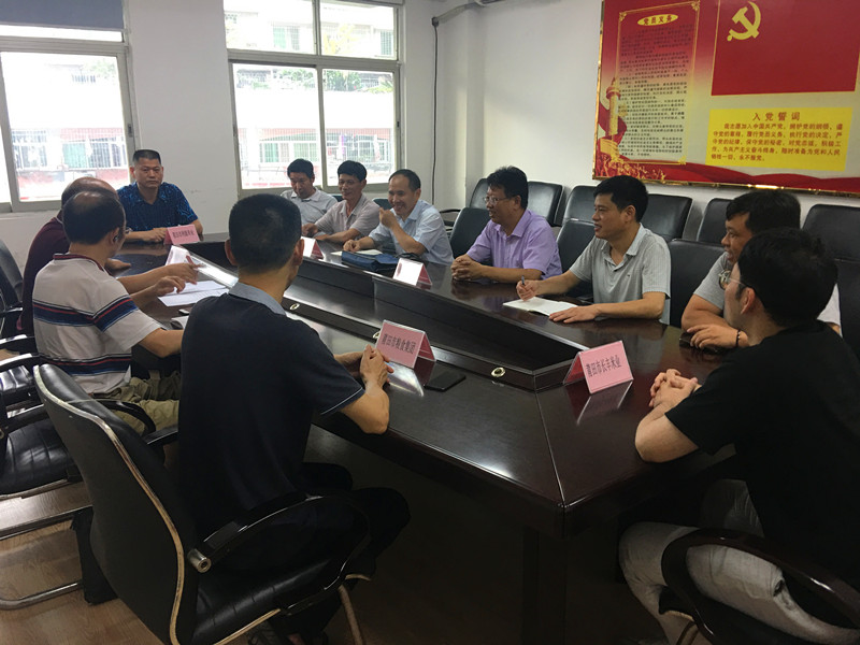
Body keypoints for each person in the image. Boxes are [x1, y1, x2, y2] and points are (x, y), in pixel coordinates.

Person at [179, 194, 410, 644]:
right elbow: (374, 421)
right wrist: (372, 379)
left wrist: (325, 364)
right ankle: (295, 627)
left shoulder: (204, 315)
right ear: (299, 252)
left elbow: (258, 362)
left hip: (201, 513)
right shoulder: (288, 336)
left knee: (339, 477)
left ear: (229, 251)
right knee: (390, 506)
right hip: (254, 535)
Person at [620, 228, 860, 645]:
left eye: (729, 280)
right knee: (716, 496)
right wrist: (694, 402)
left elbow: (649, 444)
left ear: (748, 299)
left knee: (633, 545)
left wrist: (664, 404)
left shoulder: (755, 369)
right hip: (845, 552)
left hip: (824, 597)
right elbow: (755, 403)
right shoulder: (830, 345)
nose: (726, 287)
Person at [32, 192, 186, 434]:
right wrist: (211, 328)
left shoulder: (48, 274)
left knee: (191, 383)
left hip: (76, 399)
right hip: (107, 407)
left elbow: (101, 315)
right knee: (214, 405)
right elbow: (162, 345)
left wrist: (151, 292)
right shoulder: (97, 284)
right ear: (115, 235)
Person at [18, 177, 199, 335]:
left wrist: (151, 291)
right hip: (66, 339)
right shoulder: (65, 246)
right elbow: (160, 344)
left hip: (60, 339)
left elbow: (107, 303)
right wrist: (163, 273)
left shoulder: (60, 253)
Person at [681, 189, 841, 350]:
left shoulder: (808, 270)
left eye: (732, 234)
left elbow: (825, 344)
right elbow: (692, 316)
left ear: (764, 239)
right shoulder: (730, 260)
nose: (724, 241)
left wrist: (741, 339)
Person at [516, 175, 671, 324]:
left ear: (628, 213)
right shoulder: (600, 242)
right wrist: (536, 287)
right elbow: (567, 280)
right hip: (607, 328)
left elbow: (654, 306)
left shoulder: (653, 247)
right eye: (595, 209)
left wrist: (596, 309)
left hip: (644, 335)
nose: (594, 217)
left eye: (602, 210)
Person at [451, 166, 562, 283]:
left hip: (541, 293)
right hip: (504, 290)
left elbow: (531, 275)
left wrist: (483, 271)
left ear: (516, 202)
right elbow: (471, 257)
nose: (488, 205)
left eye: (494, 200)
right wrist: (461, 264)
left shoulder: (539, 229)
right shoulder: (493, 226)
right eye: (487, 198)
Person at [343, 169, 453, 265]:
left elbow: (415, 250)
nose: (395, 199)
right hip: (409, 270)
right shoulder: (393, 214)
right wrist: (358, 244)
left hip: (439, 274)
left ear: (417, 194)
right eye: (391, 193)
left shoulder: (430, 216)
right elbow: (374, 239)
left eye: (401, 194)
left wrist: (393, 225)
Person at [118, 149, 203, 243]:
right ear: (132, 171)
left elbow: (197, 227)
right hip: (132, 252)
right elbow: (110, 235)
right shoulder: (121, 196)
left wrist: (169, 233)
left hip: (168, 250)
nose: (152, 175)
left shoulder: (171, 192)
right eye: (145, 170)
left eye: (156, 170)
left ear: (162, 170)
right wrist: (143, 235)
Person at [301, 160, 378, 244]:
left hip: (365, 252)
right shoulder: (337, 207)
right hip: (339, 251)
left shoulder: (372, 209)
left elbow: (347, 236)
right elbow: (317, 227)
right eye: (341, 182)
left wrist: (327, 238)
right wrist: (310, 229)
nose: (344, 187)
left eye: (350, 182)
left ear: (363, 183)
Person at [280, 158, 338, 226]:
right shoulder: (285, 197)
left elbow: (337, 228)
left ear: (312, 178)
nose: (298, 186)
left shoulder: (329, 202)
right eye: (294, 181)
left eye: (302, 181)